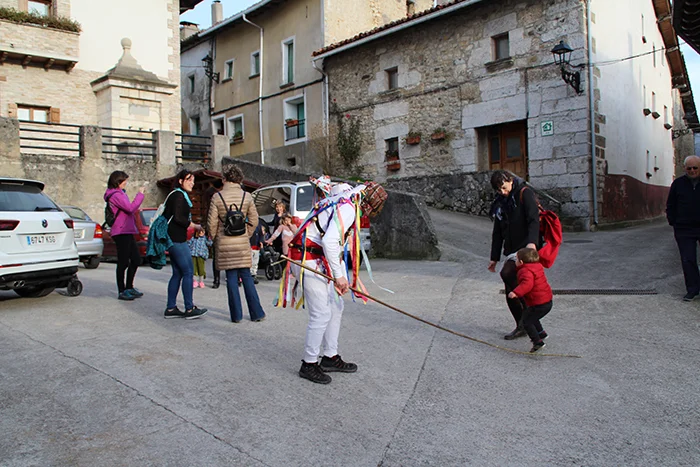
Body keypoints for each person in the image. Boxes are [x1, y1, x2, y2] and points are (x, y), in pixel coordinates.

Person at [286, 177, 388, 384]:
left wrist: (340, 276)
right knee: (321, 313)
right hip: (308, 258)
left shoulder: (343, 198)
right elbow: (330, 241)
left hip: (317, 257)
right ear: (369, 204)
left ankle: (330, 357)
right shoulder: (348, 207)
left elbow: (335, 243)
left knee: (336, 306)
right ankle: (309, 364)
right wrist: (339, 276)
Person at [207, 161, 265, 323]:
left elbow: (211, 223)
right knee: (246, 276)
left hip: (225, 242)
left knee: (231, 278)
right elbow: (254, 220)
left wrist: (215, 238)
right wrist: (246, 234)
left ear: (224, 178)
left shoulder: (217, 197)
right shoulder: (247, 196)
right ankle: (256, 313)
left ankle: (236, 315)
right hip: (242, 242)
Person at [487, 170, 541, 340]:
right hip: (511, 249)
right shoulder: (500, 203)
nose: (503, 192)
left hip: (525, 247)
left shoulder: (525, 193)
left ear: (511, 180)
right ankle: (523, 325)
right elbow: (497, 232)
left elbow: (533, 220)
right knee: (511, 289)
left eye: (504, 187)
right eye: (499, 190)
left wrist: (532, 243)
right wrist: (494, 257)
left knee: (507, 274)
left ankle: (532, 318)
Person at [162, 170, 208, 319]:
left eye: (193, 180)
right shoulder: (179, 196)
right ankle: (189, 308)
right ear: (181, 181)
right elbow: (179, 218)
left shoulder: (176, 195)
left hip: (172, 239)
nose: (192, 183)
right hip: (177, 240)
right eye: (189, 180)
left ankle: (171, 308)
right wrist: (195, 226)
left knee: (177, 273)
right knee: (188, 272)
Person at [104, 170, 146, 301]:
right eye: (124, 181)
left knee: (136, 259)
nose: (126, 183)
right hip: (121, 231)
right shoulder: (116, 195)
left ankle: (129, 287)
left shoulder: (120, 193)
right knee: (123, 262)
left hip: (127, 230)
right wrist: (140, 195)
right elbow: (130, 208)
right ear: (118, 182)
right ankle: (122, 290)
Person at [666, 155, 700, 301]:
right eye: (689, 168)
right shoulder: (678, 184)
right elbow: (670, 204)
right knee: (688, 259)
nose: (692, 170)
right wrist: (673, 221)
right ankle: (692, 289)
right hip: (684, 229)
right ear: (685, 168)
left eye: (695, 168)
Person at [507, 248, 553, 353]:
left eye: (516, 259)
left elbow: (527, 284)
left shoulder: (525, 271)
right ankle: (541, 333)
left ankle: (538, 342)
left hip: (539, 303)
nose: (515, 261)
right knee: (532, 316)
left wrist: (515, 293)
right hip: (546, 300)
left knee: (526, 322)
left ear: (521, 262)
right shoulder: (537, 266)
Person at [204, 179, 224, 288]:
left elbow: (209, 216)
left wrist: (210, 232)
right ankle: (233, 279)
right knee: (227, 255)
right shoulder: (218, 195)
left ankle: (216, 280)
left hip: (216, 229)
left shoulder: (209, 194)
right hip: (224, 229)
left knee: (216, 256)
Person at [249, 220, 265, 285]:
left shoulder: (259, 225)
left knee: (255, 262)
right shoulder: (247, 224)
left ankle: (253, 274)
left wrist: (261, 241)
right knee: (250, 261)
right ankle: (249, 275)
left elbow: (261, 235)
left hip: (256, 246)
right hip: (249, 246)